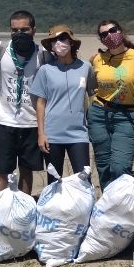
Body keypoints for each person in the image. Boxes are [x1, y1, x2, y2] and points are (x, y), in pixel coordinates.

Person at [0, 10, 46, 194]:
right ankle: (0, 211)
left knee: (26, 171)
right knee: (3, 172)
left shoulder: (42, 53)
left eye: (24, 30)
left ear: (33, 30)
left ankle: (23, 210)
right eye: (14, 30)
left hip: (31, 123)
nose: (19, 34)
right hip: (4, 121)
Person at [89, 20, 134, 190]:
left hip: (127, 116)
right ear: (101, 40)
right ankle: (110, 205)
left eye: (112, 30)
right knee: (103, 166)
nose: (109, 36)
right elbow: (92, 85)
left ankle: (128, 198)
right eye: (104, 34)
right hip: (99, 114)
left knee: (120, 166)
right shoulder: (97, 60)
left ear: (121, 31)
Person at [30, 25, 96, 184]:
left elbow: (93, 94)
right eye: (54, 40)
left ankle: (85, 209)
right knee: (54, 180)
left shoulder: (85, 67)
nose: (58, 43)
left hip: (79, 133)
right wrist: (41, 134)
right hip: (52, 134)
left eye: (62, 39)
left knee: (83, 178)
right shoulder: (45, 70)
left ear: (71, 42)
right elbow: (40, 102)